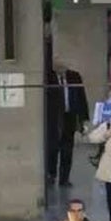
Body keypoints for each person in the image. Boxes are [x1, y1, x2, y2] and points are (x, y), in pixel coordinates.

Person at [46, 57, 88, 188]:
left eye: (63, 69)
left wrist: (83, 119)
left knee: (67, 150)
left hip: (70, 116)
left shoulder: (74, 77)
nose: (62, 73)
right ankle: (51, 175)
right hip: (54, 118)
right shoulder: (49, 78)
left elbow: (81, 97)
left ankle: (64, 178)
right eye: (59, 70)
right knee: (53, 148)